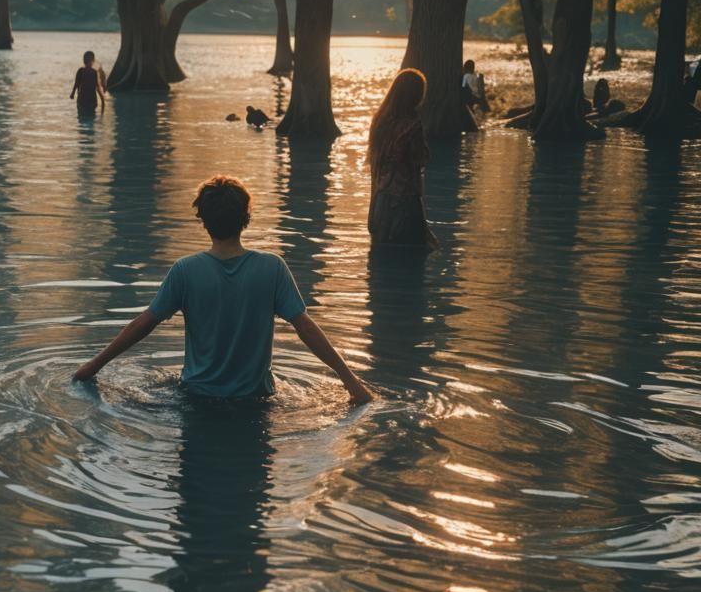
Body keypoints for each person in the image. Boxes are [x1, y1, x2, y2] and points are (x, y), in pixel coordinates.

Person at [72, 175, 374, 403]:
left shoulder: (185, 270)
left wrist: (92, 366)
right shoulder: (272, 268)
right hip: (256, 400)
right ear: (246, 218)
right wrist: (350, 382)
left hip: (197, 397)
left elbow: (143, 325)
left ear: (202, 221)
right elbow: (305, 327)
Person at [367, 68, 438, 249]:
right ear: (415, 95)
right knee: (412, 259)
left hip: (380, 201)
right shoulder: (412, 125)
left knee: (381, 264)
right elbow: (418, 162)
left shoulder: (379, 120)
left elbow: (375, 167)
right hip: (404, 204)